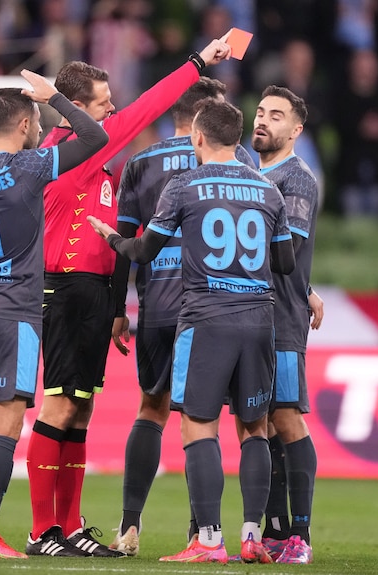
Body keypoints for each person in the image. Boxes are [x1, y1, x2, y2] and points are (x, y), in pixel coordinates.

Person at [25, 36, 232, 558]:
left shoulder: (101, 162)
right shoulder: (63, 153)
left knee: (80, 411)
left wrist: (116, 305)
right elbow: (150, 107)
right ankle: (42, 530)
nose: (113, 109)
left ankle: (69, 527)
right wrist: (199, 61)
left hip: (93, 291)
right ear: (75, 112)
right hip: (66, 287)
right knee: (58, 407)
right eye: (102, 103)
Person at [88, 99, 295, 564]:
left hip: (205, 318)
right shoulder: (268, 190)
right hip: (259, 321)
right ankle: (250, 536)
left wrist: (110, 237)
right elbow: (284, 263)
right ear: (238, 139)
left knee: (195, 423)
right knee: (254, 428)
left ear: (198, 138)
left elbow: (142, 251)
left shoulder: (184, 185)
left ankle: (205, 539)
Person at [0, 72, 109, 559]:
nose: (41, 128)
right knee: (7, 424)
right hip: (12, 313)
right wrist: (55, 96)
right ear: (23, 123)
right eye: (37, 120)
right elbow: (96, 138)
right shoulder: (31, 167)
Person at [106, 76, 256, 556]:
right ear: (203, 120)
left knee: (151, 409)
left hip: (158, 305)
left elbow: (128, 247)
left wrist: (116, 310)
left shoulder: (140, 163)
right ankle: (203, 530)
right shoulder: (241, 163)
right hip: (217, 306)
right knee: (207, 419)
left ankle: (129, 527)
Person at [249, 85, 323, 565]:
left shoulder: (296, 179)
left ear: (295, 130)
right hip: (246, 313)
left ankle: (299, 536)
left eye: (275, 116)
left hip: (281, 317)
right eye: (258, 112)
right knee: (257, 422)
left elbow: (288, 253)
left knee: (286, 419)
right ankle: (273, 533)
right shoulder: (247, 172)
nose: (262, 120)